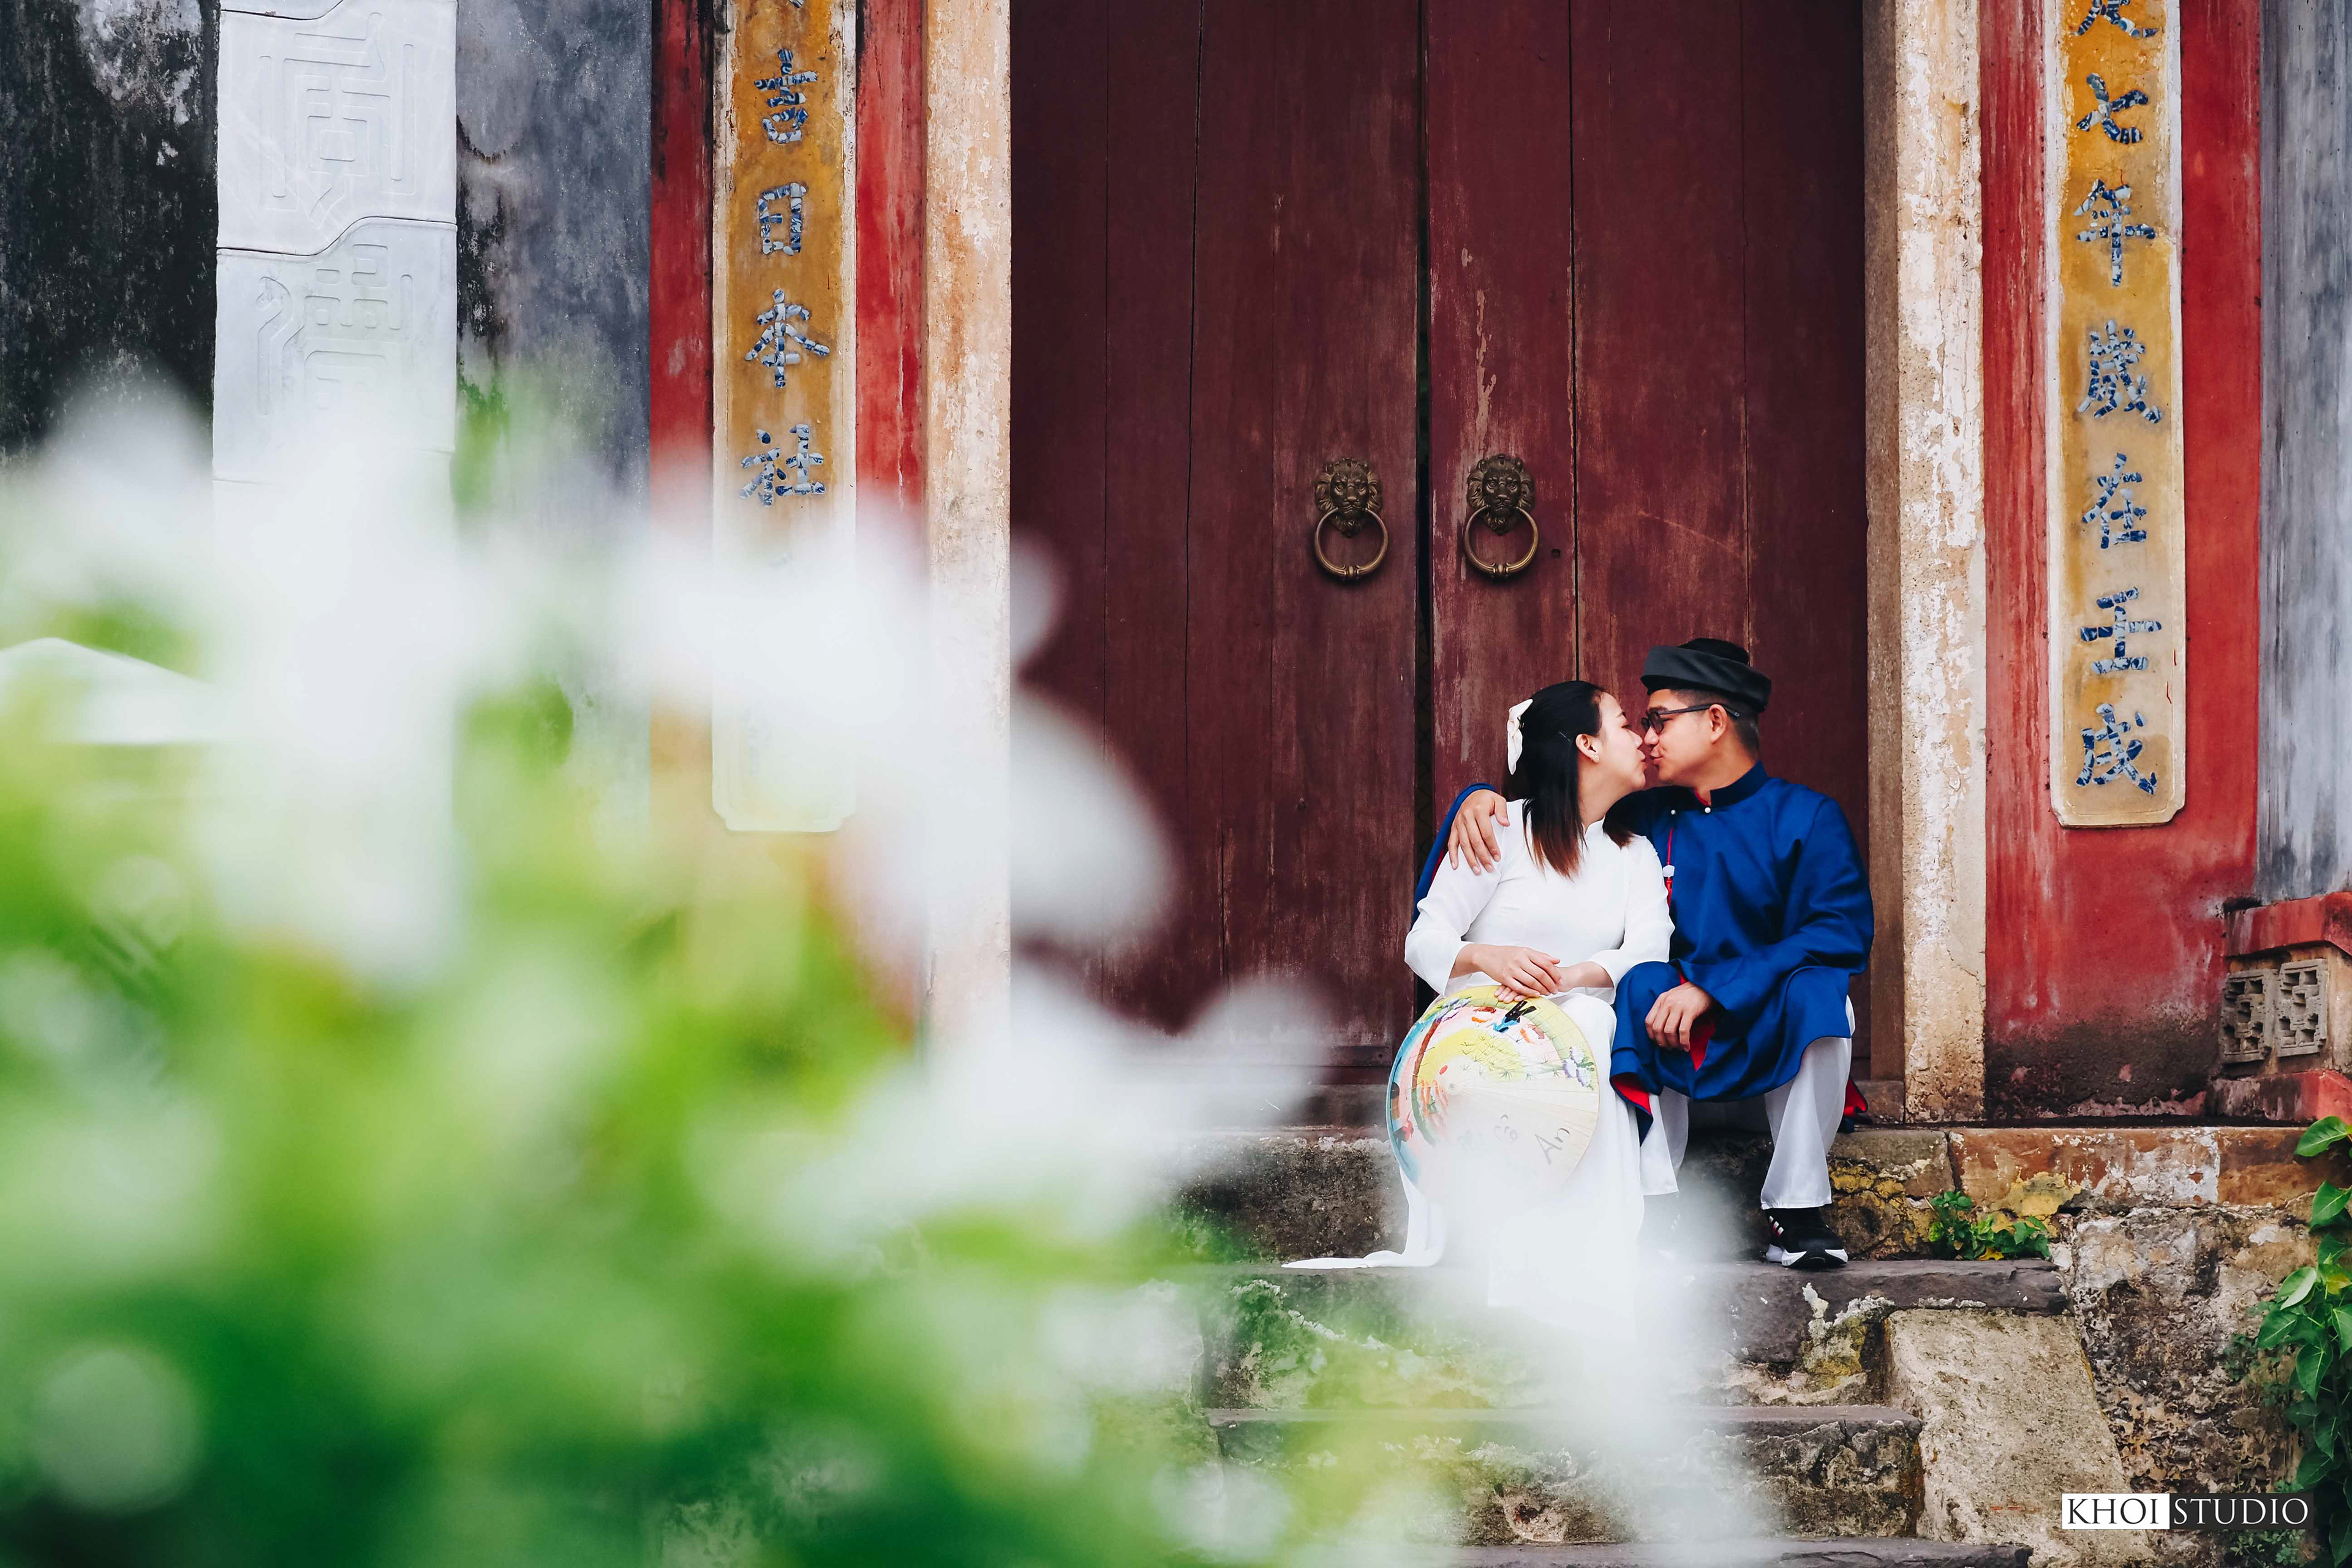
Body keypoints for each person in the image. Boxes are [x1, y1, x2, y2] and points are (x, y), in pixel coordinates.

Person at [1444, 639, 1874, 1270]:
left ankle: (1798, 1208)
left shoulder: (1807, 816)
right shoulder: (1639, 815)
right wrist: (1481, 796)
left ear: (1716, 721)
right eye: (1641, 723)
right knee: (1644, 981)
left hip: (1769, 1053)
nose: (1646, 738)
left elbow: (1839, 932)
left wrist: (1716, 988)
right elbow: (1558, 794)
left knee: (1824, 993)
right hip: (1665, 1054)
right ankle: (1656, 1202)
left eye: (1660, 720)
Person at [1291, 680, 1678, 1337]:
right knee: (1589, 1024)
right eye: (1623, 723)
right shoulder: (1503, 829)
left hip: (1576, 1043)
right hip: (1482, 1039)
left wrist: (1572, 976)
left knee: (1591, 1019)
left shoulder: (1632, 853)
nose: (1641, 737)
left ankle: (1584, 1264)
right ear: (1587, 745)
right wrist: (1487, 957)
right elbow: (1424, 939)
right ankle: (1537, 1273)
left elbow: (1649, 950)